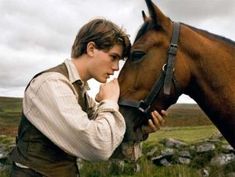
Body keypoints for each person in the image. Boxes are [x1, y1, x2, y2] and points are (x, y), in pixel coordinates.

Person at [9, 18, 166, 177]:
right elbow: (98, 146)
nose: (116, 67)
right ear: (91, 49)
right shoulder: (51, 84)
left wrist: (140, 130)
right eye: (113, 57)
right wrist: (109, 101)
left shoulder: (79, 91)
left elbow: (109, 141)